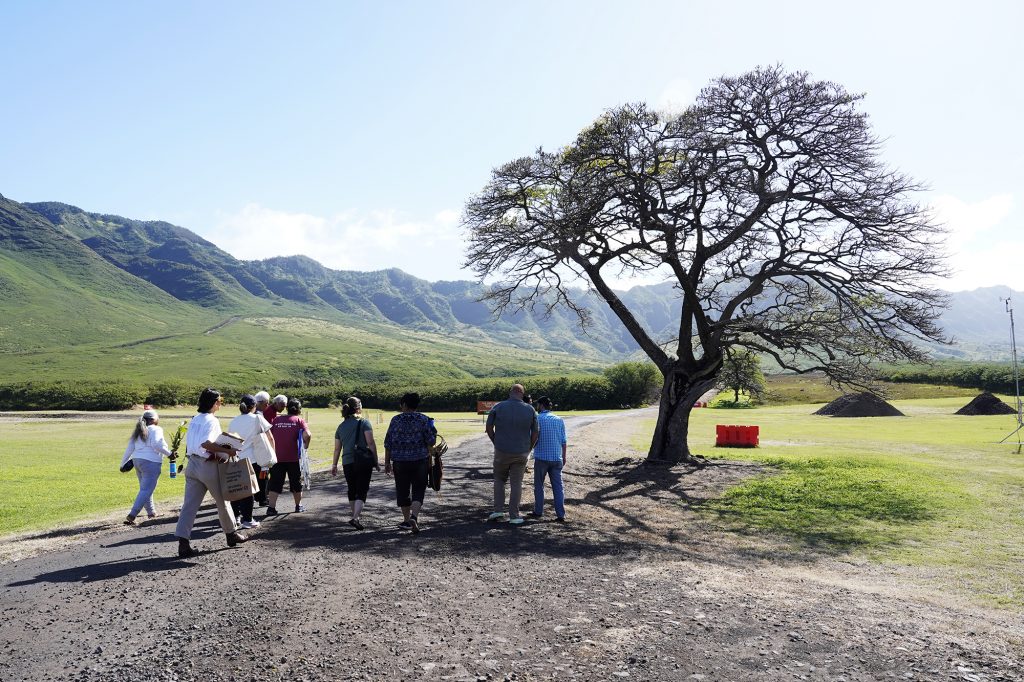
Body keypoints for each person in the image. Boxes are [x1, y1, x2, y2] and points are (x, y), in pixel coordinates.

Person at [175, 388, 249, 558]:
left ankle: (183, 543)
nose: (220, 403)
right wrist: (228, 451)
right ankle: (231, 534)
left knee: (189, 506)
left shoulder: (195, 419)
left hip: (192, 464)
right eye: (220, 400)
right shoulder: (211, 420)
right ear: (214, 402)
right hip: (207, 465)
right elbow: (206, 444)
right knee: (223, 500)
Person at [485, 383, 539, 525]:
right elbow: (535, 433)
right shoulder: (530, 409)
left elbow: (489, 427)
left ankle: (498, 510)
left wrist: (495, 441)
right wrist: (529, 448)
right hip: (521, 452)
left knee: (499, 480)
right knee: (516, 483)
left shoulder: (498, 406)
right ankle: (514, 515)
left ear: (510, 393)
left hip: (502, 450)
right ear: (522, 394)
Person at [383, 392, 436, 534]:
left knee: (403, 490)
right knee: (419, 489)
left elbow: (388, 443)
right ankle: (414, 517)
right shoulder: (424, 419)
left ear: (404, 404)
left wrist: (387, 462)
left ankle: (406, 521)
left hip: (400, 461)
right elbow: (431, 441)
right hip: (420, 460)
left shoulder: (395, 420)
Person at [120, 409, 176, 525]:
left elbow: (130, 448)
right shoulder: (156, 429)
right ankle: (132, 514)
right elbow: (156, 444)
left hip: (137, 461)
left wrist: (122, 463)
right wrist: (170, 454)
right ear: (154, 419)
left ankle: (151, 513)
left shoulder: (138, 430)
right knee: (146, 489)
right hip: (151, 462)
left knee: (145, 489)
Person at [227, 395, 275, 529]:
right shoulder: (258, 418)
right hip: (253, 459)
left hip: (237, 458)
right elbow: (270, 437)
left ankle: (235, 517)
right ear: (253, 406)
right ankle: (247, 519)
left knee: (238, 489)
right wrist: (272, 455)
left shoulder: (234, 421)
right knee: (249, 490)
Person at [331, 397, 379, 530]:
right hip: (363, 461)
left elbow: (337, 449)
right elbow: (370, 442)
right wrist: (375, 460)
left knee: (352, 489)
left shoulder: (341, 426)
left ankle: (355, 516)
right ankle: (355, 517)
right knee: (362, 490)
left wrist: (334, 465)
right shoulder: (364, 423)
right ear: (358, 408)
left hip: (347, 462)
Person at [267, 398, 311, 516]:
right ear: (299, 409)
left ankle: (271, 508)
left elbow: (269, 435)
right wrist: (305, 446)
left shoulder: (276, 419)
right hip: (293, 458)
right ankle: (298, 506)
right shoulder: (299, 420)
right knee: (296, 482)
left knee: (275, 482)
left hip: (277, 457)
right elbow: (308, 434)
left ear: (287, 408)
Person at [529, 396, 567, 522]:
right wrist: (564, 456)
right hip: (557, 458)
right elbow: (563, 441)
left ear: (541, 405)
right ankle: (560, 514)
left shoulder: (537, 419)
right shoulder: (559, 419)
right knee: (558, 487)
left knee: (539, 486)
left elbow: (533, 438)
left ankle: (538, 511)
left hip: (541, 458)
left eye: (537, 405)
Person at [251, 391, 274, 506]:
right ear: (264, 403)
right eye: (267, 403)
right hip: (260, 450)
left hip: (249, 451)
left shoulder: (249, 414)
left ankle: (257, 497)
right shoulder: (259, 416)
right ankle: (262, 498)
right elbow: (269, 436)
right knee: (263, 475)